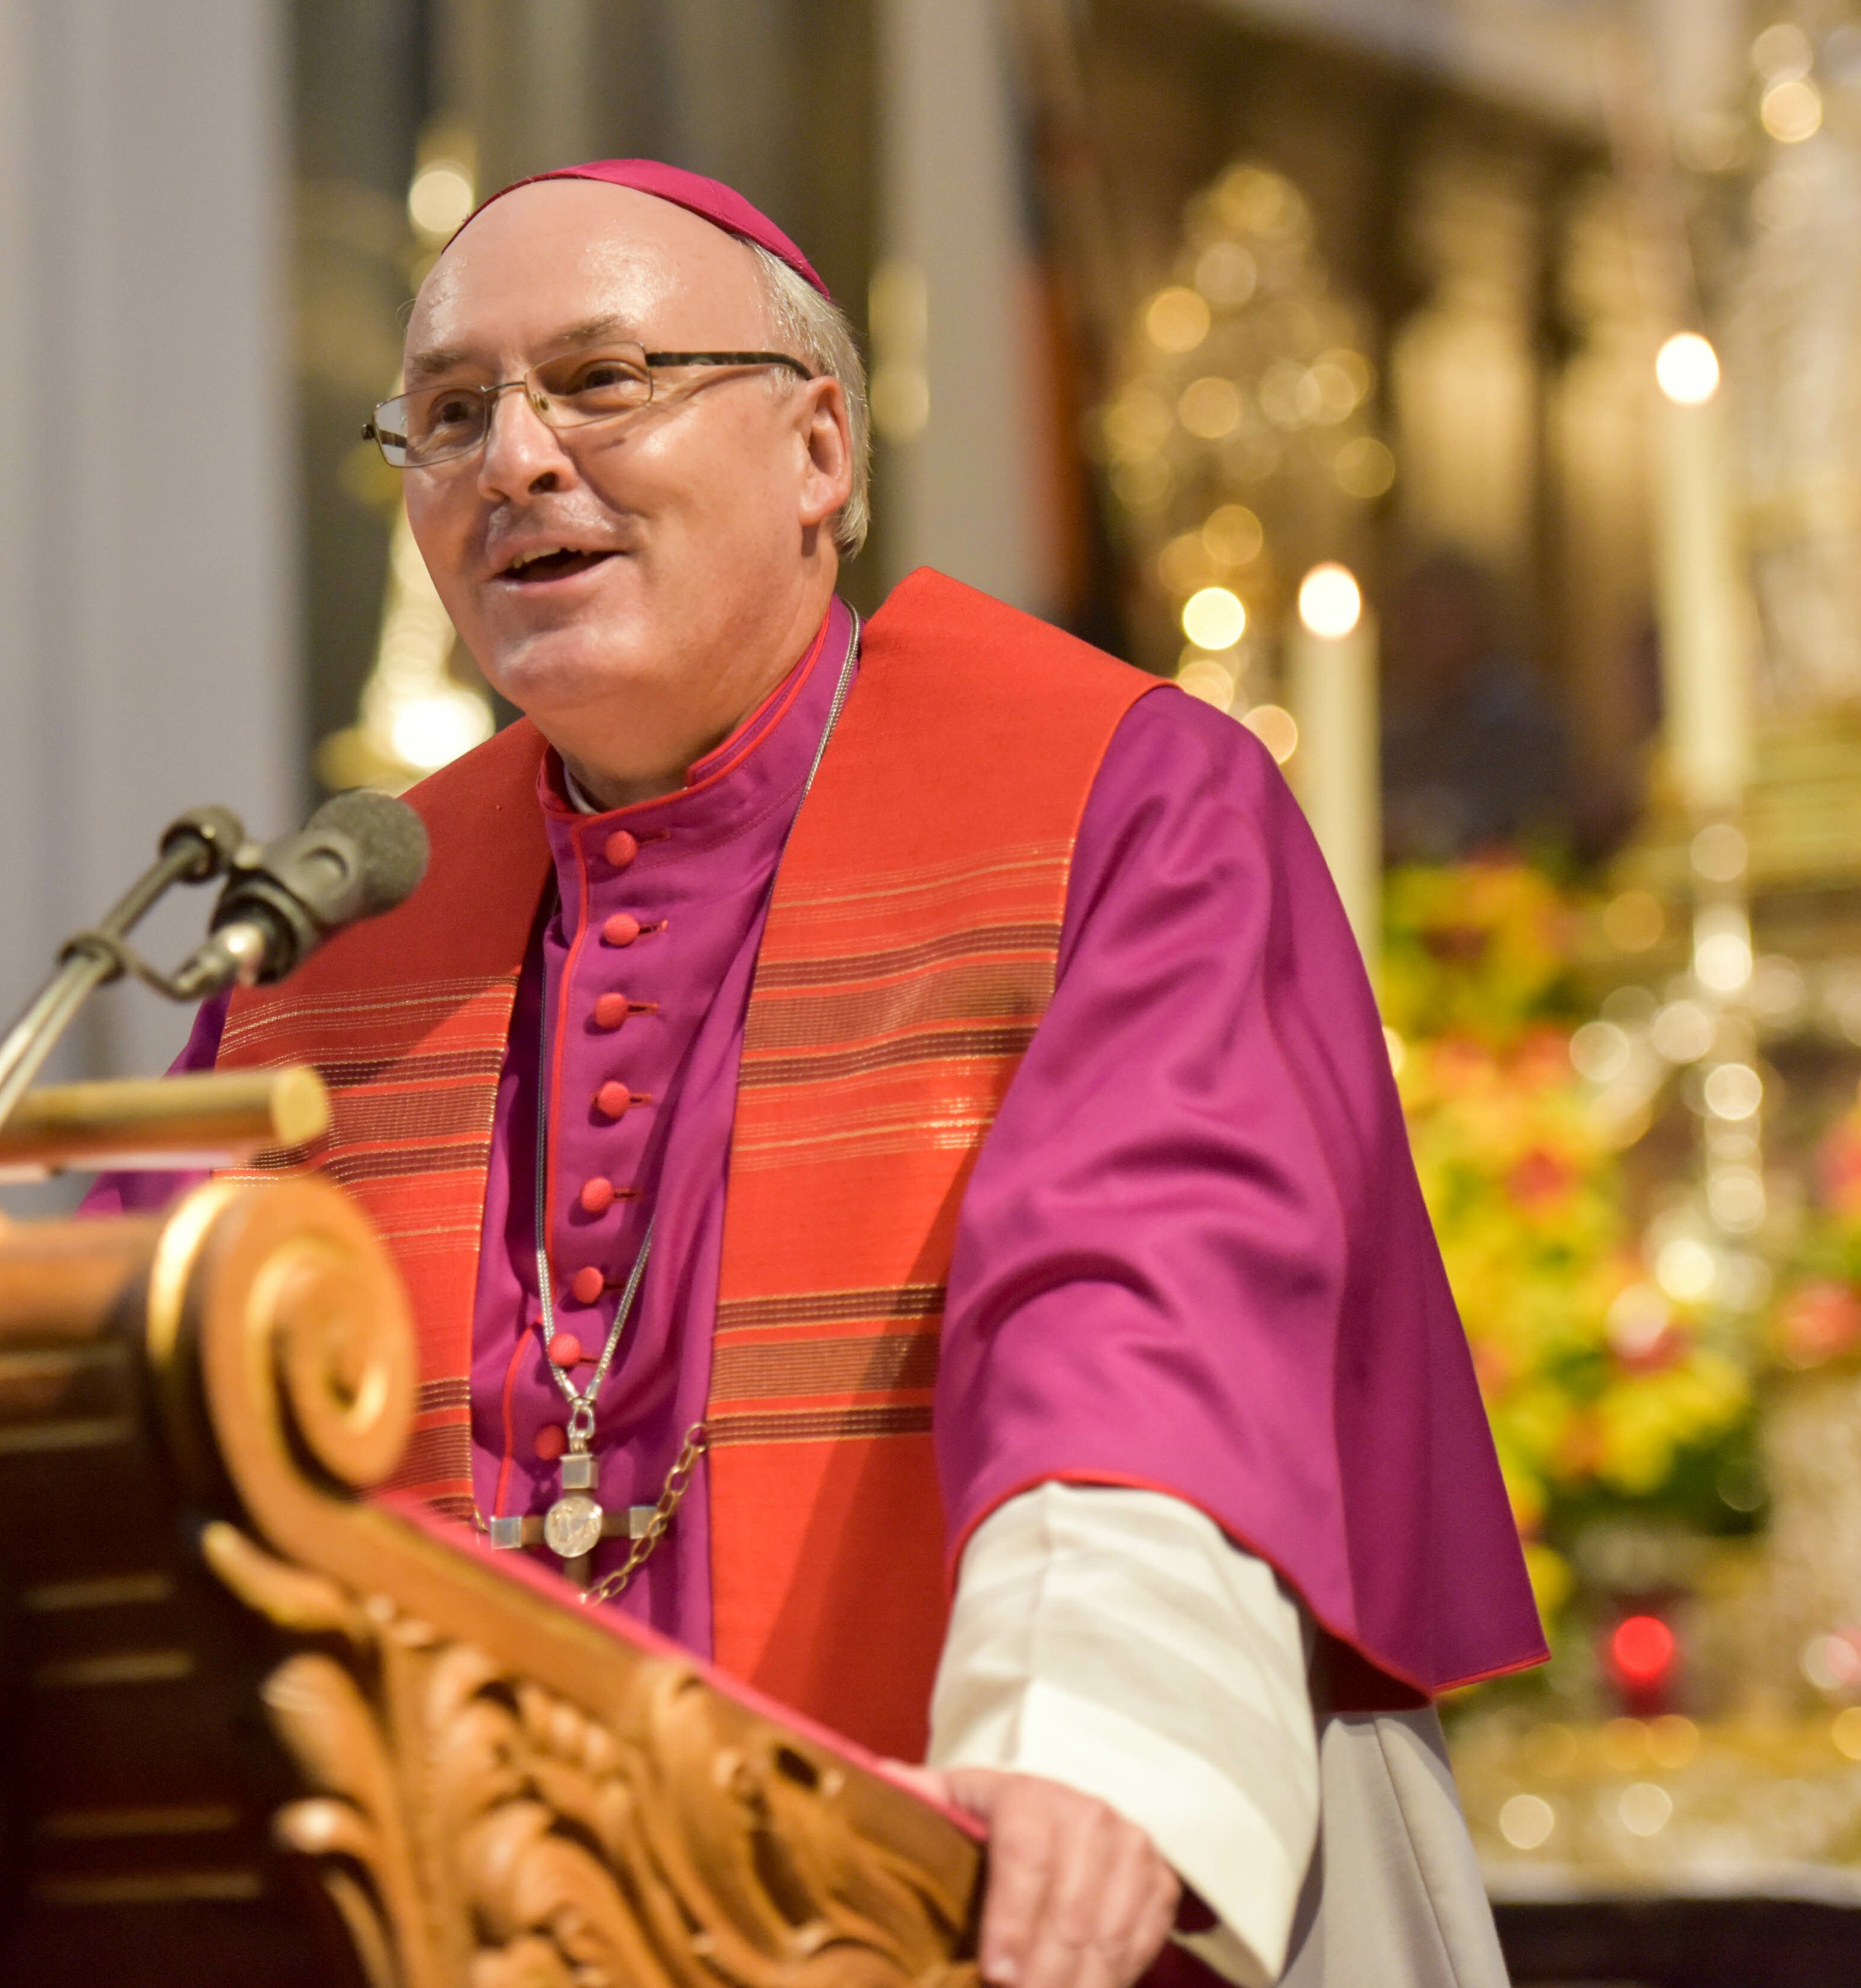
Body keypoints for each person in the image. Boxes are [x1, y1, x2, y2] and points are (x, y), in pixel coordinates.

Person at [89, 160, 1541, 1988]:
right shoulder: (342, 924)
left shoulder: (1111, 798)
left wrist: (1087, 1738)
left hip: (974, 1885)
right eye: (450, 414)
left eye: (602, 381)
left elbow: (1155, 1282)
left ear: (821, 456)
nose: (516, 460)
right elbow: (117, 1356)